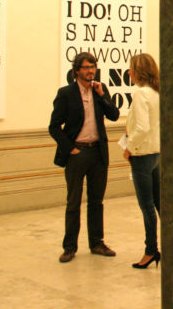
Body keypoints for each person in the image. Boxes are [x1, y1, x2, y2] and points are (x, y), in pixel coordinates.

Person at [48, 52, 120, 263]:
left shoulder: (100, 89)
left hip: (98, 152)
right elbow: (54, 127)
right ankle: (69, 247)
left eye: (93, 67)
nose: (90, 71)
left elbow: (114, 115)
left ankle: (97, 243)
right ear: (77, 70)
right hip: (77, 153)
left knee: (96, 201)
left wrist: (102, 96)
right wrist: (70, 149)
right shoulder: (66, 93)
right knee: (73, 202)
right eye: (86, 67)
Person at [124, 53, 162, 269]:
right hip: (156, 153)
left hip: (142, 155)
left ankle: (150, 250)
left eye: (131, 69)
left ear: (138, 72)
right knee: (159, 203)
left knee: (147, 206)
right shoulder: (157, 93)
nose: (129, 73)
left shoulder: (140, 94)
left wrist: (129, 148)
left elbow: (142, 128)